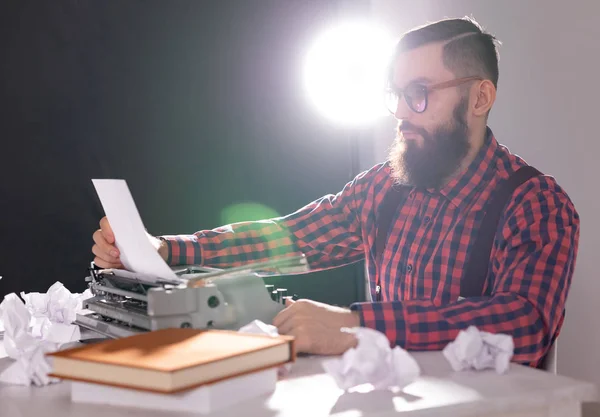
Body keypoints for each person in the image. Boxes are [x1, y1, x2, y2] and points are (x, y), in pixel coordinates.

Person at [91, 17, 579, 368]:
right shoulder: (385, 187)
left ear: (480, 97)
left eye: (420, 93)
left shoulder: (536, 204)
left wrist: (357, 324)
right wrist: (166, 249)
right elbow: (289, 237)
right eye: (397, 94)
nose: (402, 113)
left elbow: (524, 325)